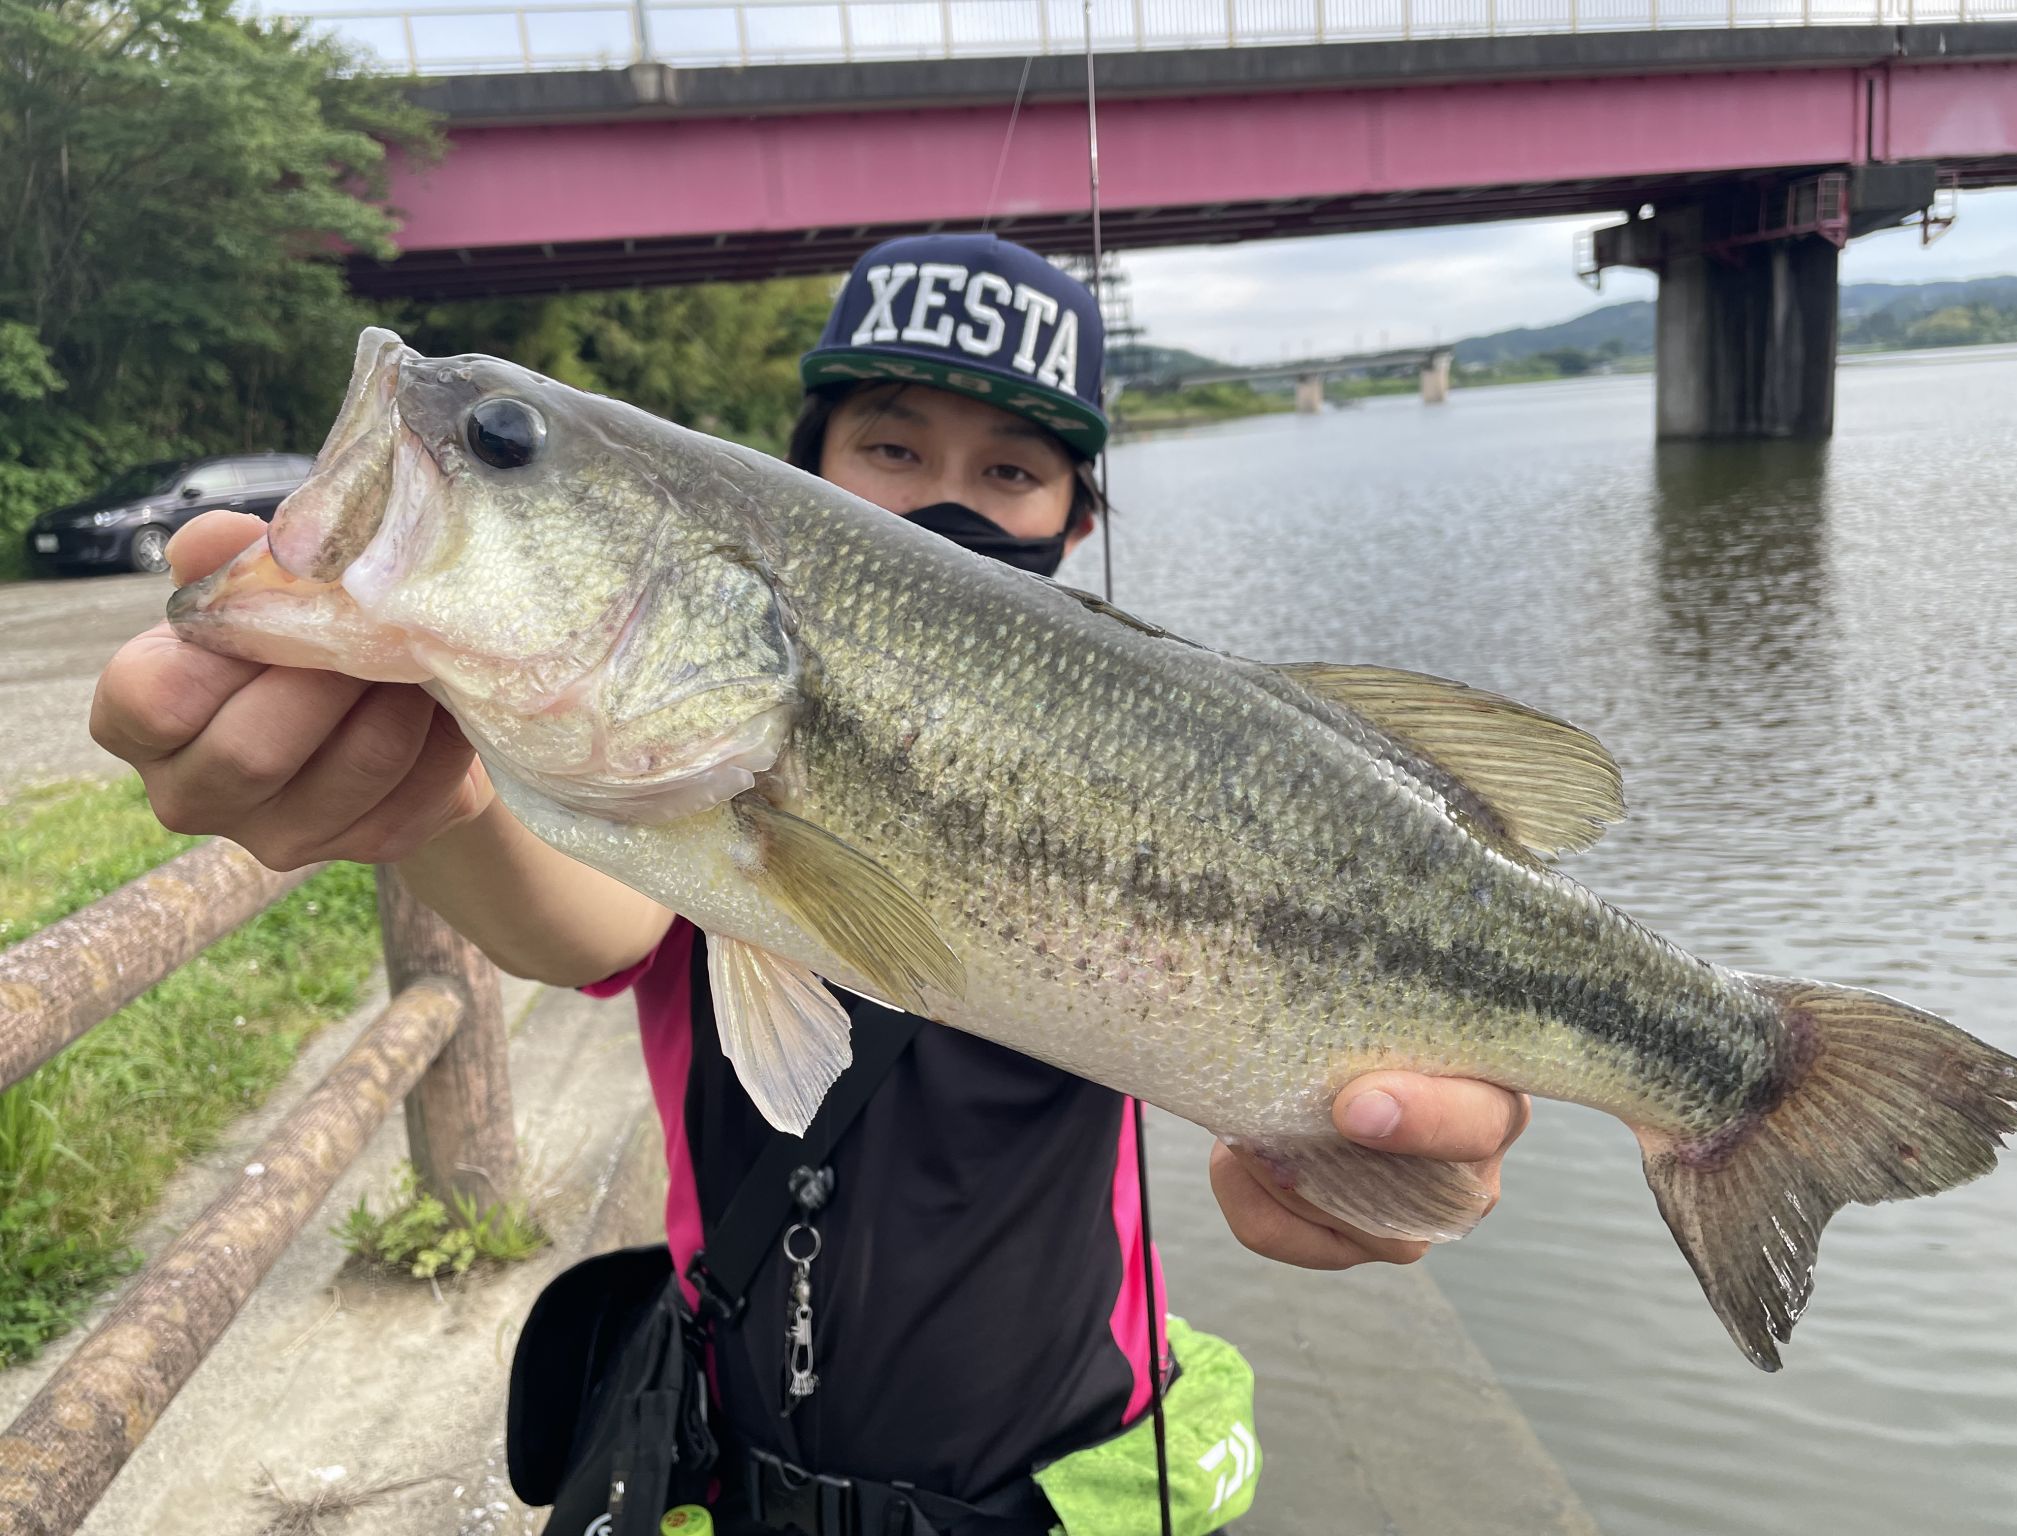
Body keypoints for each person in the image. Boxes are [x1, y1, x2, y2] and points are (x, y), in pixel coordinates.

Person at [90, 234, 1530, 1534]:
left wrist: (1369, 1143)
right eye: (892, 451)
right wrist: (429, 798)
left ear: (1075, 525)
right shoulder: (680, 789)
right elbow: (586, 919)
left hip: (1075, 1479)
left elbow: (1346, 1063)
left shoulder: (1168, 774)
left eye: (1011, 472)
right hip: (734, 1477)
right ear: (797, 477)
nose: (945, 502)